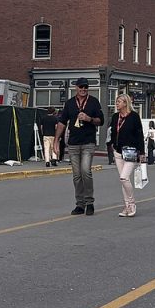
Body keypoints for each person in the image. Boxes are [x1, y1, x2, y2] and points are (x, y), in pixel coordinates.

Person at [55, 78, 105, 215]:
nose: (83, 89)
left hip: (88, 142)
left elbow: (101, 120)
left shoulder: (93, 102)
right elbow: (62, 122)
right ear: (76, 88)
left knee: (85, 171)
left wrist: (89, 119)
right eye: (81, 87)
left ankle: (89, 202)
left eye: (85, 87)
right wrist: (56, 141)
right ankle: (80, 204)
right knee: (77, 175)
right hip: (73, 143)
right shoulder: (70, 103)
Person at [110, 93, 145, 217]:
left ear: (125, 103)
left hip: (131, 151)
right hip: (118, 151)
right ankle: (127, 206)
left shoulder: (134, 117)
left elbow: (139, 134)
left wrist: (142, 152)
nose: (117, 103)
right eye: (116, 101)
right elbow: (112, 131)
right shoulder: (115, 117)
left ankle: (132, 203)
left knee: (124, 178)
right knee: (124, 180)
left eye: (119, 101)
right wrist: (112, 144)